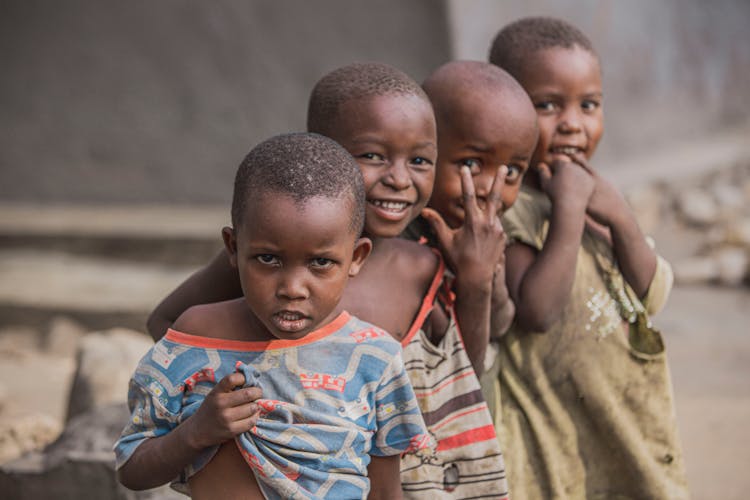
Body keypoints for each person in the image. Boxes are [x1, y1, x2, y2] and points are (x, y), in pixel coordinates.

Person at [143, 63, 509, 498]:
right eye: (373, 155)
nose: (398, 178)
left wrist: (477, 281)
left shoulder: (424, 265)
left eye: (419, 160)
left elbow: (459, 378)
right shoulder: (267, 255)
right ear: (319, 153)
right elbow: (166, 325)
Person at [115, 132, 430, 499]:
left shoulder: (373, 357)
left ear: (356, 258)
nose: (293, 287)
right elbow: (131, 468)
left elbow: (385, 493)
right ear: (234, 248)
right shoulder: (194, 339)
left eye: (321, 262)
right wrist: (195, 432)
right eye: (268, 259)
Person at [488, 16, 689, 499]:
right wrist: (570, 209)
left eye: (589, 105)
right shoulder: (511, 210)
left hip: (622, 409)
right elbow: (537, 311)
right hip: (553, 429)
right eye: (549, 105)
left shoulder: (599, 195)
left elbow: (652, 293)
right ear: (508, 111)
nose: (573, 123)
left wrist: (620, 218)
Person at [403, 60, 539, 423]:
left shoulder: (491, 232)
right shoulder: (397, 239)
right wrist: (473, 279)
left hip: (471, 432)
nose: (490, 190)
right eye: (472, 164)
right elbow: (459, 371)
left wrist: (482, 277)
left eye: (511, 171)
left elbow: (500, 322)